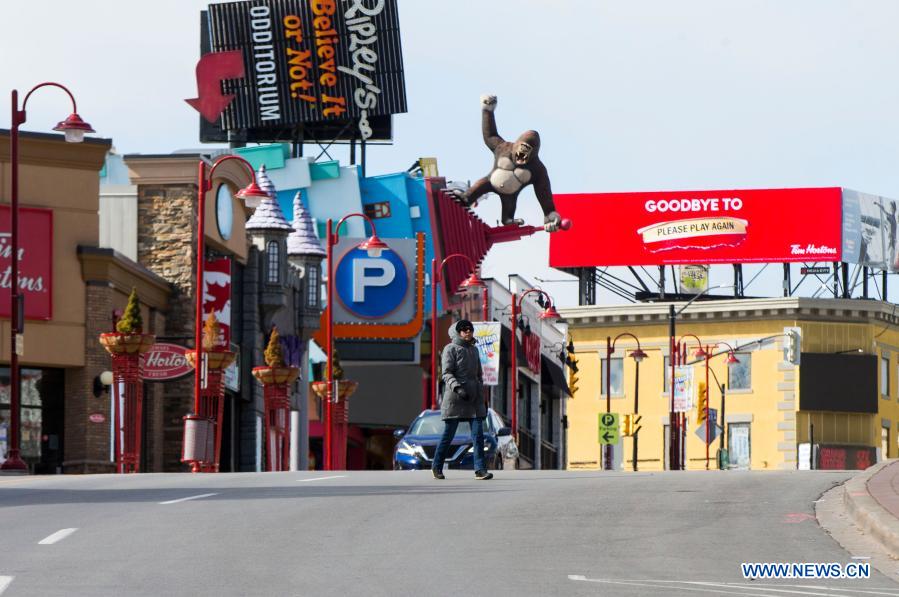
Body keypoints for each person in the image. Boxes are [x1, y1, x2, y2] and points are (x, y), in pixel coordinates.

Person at [432, 319, 493, 480]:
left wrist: (483, 399)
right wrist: (458, 388)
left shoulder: (474, 350)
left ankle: (480, 470)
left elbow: (479, 376)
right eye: (464, 330)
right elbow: (446, 373)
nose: (468, 332)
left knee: (478, 436)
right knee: (448, 436)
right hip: (456, 399)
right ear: (458, 332)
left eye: (470, 329)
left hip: (474, 400)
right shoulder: (450, 348)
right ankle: (437, 466)